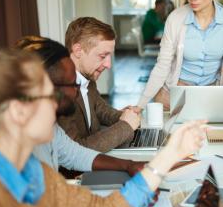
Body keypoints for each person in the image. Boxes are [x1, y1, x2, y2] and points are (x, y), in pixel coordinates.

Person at [0, 50, 206, 207]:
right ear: (18, 111)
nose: (56, 104)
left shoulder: (36, 173)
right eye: (47, 95)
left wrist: (170, 155)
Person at [16, 36, 145, 176]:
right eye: (73, 84)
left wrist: (129, 165)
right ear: (47, 87)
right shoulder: (19, 146)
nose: (77, 90)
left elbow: (76, 154)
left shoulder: (50, 126)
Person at [59, 17, 141, 152]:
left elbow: (101, 110)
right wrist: (125, 125)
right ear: (78, 50)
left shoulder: (87, 79)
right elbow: (75, 151)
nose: (108, 65)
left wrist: (125, 115)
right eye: (103, 56)